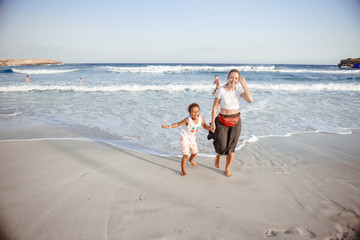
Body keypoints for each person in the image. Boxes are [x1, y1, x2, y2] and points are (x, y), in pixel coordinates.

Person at [209, 69, 253, 177]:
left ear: (239, 80)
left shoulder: (239, 90)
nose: (234, 80)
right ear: (228, 78)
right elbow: (215, 106)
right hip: (222, 120)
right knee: (222, 144)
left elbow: (250, 100)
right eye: (232, 77)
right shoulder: (221, 90)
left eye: (236, 78)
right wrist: (213, 123)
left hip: (235, 121)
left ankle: (227, 169)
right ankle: (218, 155)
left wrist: (244, 85)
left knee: (232, 147)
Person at [162, 103, 210, 176]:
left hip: (191, 136)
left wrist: (212, 128)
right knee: (186, 154)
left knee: (195, 152)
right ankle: (183, 170)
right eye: (193, 112)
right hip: (184, 136)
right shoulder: (188, 120)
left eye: (197, 111)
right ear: (190, 113)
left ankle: (191, 160)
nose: (196, 113)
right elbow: (178, 124)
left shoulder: (201, 119)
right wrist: (168, 126)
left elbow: (205, 126)